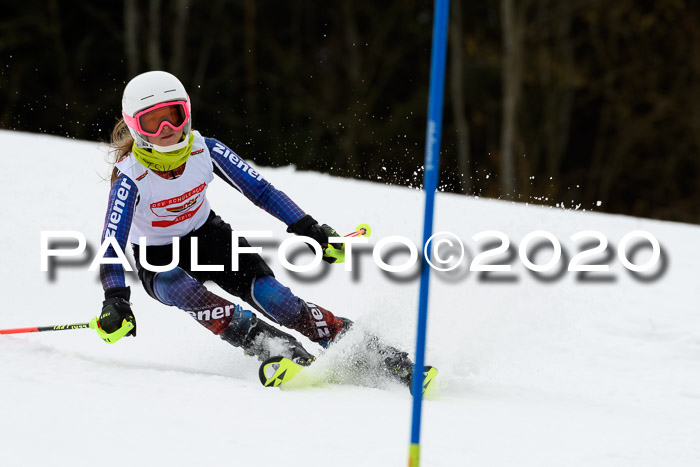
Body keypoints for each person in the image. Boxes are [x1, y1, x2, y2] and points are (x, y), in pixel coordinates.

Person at [95, 70, 418, 387]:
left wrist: (309, 229)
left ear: (187, 113)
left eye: (174, 116)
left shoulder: (205, 149)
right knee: (181, 289)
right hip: (158, 256)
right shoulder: (131, 176)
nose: (167, 128)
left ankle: (365, 349)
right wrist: (115, 298)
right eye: (153, 121)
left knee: (276, 299)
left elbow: (260, 191)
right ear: (137, 128)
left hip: (210, 237)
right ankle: (276, 348)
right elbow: (112, 242)